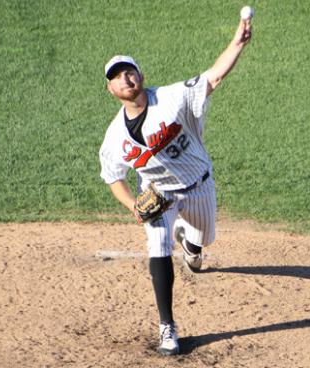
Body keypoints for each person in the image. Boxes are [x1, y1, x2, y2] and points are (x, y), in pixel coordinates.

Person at [99, 14, 252, 356]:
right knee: (157, 245)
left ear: (140, 76)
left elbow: (213, 77)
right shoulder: (113, 138)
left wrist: (238, 42)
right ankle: (167, 326)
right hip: (159, 194)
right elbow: (113, 176)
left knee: (203, 241)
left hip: (198, 186)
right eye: (116, 77)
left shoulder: (170, 98)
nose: (125, 78)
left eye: (129, 71)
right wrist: (133, 207)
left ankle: (192, 247)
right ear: (110, 89)